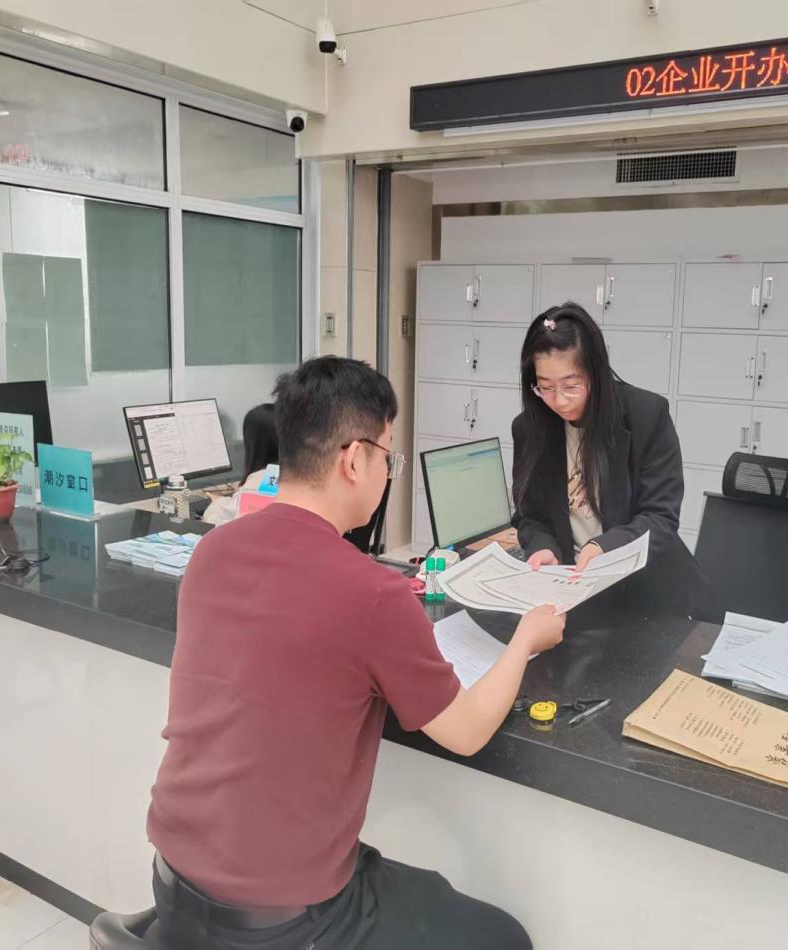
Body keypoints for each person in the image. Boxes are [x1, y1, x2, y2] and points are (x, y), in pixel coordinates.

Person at [147, 356, 564, 949]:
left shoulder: (213, 551)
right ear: (353, 459)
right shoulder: (373, 593)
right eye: (388, 456)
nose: (388, 472)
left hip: (172, 880)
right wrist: (525, 639)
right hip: (284, 920)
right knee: (503, 938)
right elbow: (468, 731)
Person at [511, 301, 684, 574]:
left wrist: (604, 547)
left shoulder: (647, 417)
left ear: (596, 374)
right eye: (546, 387)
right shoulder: (529, 429)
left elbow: (660, 517)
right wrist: (542, 546)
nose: (559, 400)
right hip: (571, 580)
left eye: (571, 386)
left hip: (638, 580)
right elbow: (530, 514)